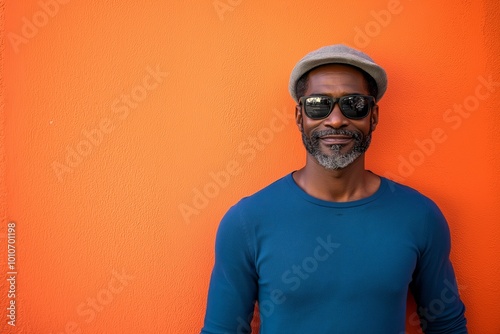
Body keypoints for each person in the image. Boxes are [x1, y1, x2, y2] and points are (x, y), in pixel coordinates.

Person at [200, 44, 467, 333]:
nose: (337, 119)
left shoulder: (420, 216)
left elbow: (446, 325)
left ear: (373, 116)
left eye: (354, 104)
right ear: (300, 116)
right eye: (318, 104)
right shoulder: (246, 222)